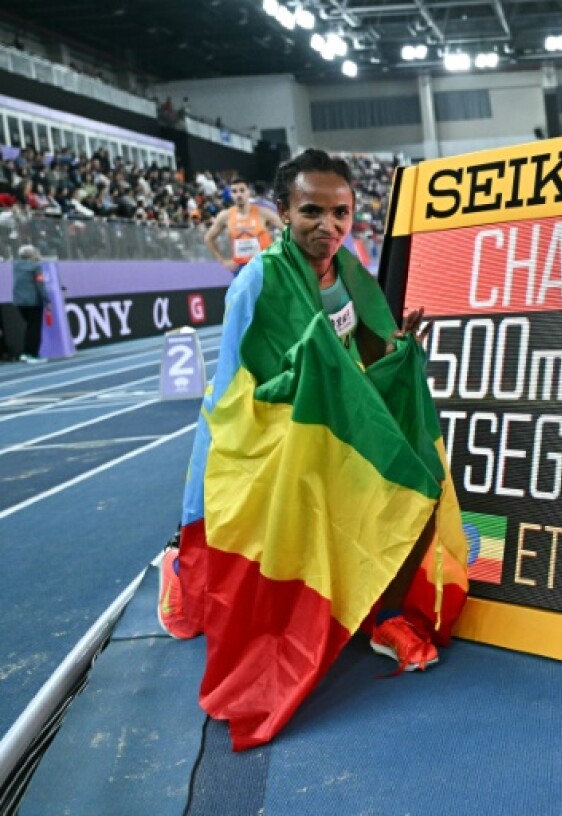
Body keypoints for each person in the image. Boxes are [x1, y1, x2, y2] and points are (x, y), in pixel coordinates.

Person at [157, 149, 468, 751]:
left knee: (411, 479)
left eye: (341, 212)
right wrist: (309, 365)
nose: (328, 226)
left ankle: (385, 616)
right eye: (311, 212)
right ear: (283, 212)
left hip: (335, 426)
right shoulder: (258, 281)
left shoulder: (349, 271)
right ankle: (180, 563)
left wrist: (399, 348)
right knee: (264, 535)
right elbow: (238, 388)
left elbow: (368, 353)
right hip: (267, 433)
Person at [203, 177, 282, 274]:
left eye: (242, 190)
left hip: (264, 265)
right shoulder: (225, 216)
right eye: (234, 191)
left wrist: (280, 255)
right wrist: (223, 261)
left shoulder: (263, 213)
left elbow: (288, 231)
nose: (239, 194)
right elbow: (208, 238)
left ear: (248, 192)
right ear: (231, 195)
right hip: (241, 269)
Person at [11, 245, 49, 364]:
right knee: (35, 328)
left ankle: (26, 352)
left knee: (29, 327)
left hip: (19, 301)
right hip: (33, 301)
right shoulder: (36, 267)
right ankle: (32, 354)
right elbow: (40, 284)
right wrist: (47, 299)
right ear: (32, 254)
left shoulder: (16, 266)